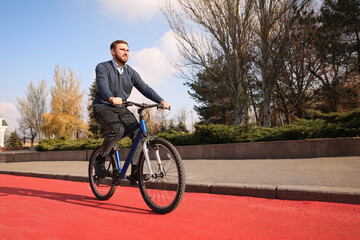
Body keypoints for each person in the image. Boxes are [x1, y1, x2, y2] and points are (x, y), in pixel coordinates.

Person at [92, 40, 170, 184]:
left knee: (138, 133)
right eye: (122, 49)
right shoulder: (103, 67)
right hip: (102, 107)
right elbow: (102, 84)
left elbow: (145, 88)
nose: (126, 52)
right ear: (113, 51)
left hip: (121, 108)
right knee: (118, 129)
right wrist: (111, 97)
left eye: (127, 50)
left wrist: (160, 101)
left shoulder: (131, 72)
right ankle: (100, 158)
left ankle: (135, 172)